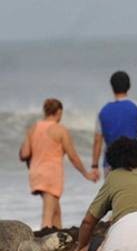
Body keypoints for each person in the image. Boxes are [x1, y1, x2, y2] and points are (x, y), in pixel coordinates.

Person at [19, 98, 97, 229]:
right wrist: (86, 174)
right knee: (48, 214)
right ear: (59, 112)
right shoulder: (60, 130)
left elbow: (24, 154)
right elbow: (73, 156)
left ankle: (59, 241)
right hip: (51, 175)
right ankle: (44, 243)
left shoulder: (33, 128)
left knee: (56, 212)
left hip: (36, 172)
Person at [91, 71, 137, 178]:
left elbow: (97, 141)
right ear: (129, 86)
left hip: (110, 163)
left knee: (114, 194)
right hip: (134, 161)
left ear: (112, 87)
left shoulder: (103, 110)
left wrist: (94, 166)